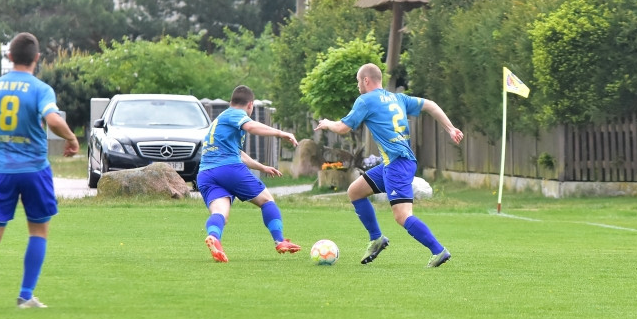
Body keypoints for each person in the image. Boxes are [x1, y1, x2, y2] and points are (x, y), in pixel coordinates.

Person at [0, 32, 80, 308]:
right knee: (38, 231)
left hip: (0, 169)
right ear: (37, 58)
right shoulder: (40, 89)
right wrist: (72, 138)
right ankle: (26, 295)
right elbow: (52, 119)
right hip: (33, 169)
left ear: (9, 56)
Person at [314, 63, 464, 268]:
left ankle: (438, 251)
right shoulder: (397, 98)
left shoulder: (365, 100)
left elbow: (342, 128)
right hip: (394, 163)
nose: (358, 86)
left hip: (397, 164)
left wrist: (327, 123)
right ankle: (376, 238)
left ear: (366, 80)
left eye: (358, 81)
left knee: (402, 216)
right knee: (355, 191)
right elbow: (430, 104)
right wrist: (450, 128)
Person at [198, 85, 300, 262]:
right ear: (250, 105)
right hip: (228, 169)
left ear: (232, 101)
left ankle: (214, 238)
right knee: (267, 200)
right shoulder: (236, 113)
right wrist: (280, 132)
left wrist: (262, 167)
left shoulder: (220, 120)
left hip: (205, 173)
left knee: (220, 213)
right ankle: (279, 240)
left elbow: (237, 152)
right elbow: (251, 127)